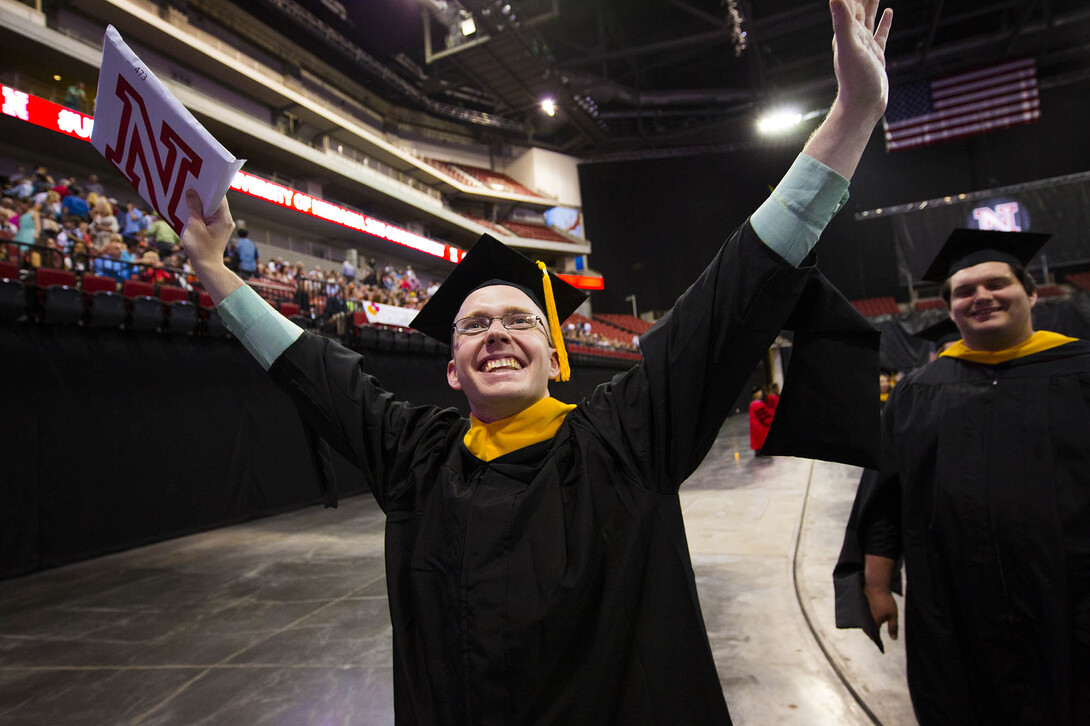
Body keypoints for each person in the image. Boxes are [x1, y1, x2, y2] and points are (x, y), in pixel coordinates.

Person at [181, 1, 891, 721]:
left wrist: (853, 115)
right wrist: (215, 271)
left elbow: (733, 293)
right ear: (452, 368)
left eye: (519, 320)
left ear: (555, 359)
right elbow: (311, 368)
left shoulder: (625, 441)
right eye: (474, 326)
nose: (495, 333)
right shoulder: (416, 461)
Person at [835, 228, 1090, 725]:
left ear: (1032, 292)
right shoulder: (918, 392)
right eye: (964, 291)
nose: (982, 297)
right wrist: (876, 584)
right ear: (949, 306)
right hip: (952, 604)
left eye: (997, 283)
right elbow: (885, 497)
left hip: (1069, 596)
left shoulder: (1081, 373)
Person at [748, 386, 773, 455]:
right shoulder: (758, 404)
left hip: (755, 427)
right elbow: (765, 418)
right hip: (761, 427)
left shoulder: (752, 404)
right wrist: (770, 421)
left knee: (757, 440)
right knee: (762, 439)